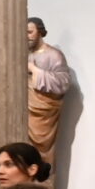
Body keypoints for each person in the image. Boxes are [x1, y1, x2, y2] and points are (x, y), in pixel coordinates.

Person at [28, 18, 73, 164]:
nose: (26, 36)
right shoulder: (23, 54)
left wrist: (35, 70)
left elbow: (64, 82)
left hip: (43, 113)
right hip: (24, 110)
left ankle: (44, 177)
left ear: (40, 32)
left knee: (42, 156)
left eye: (30, 32)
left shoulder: (53, 55)